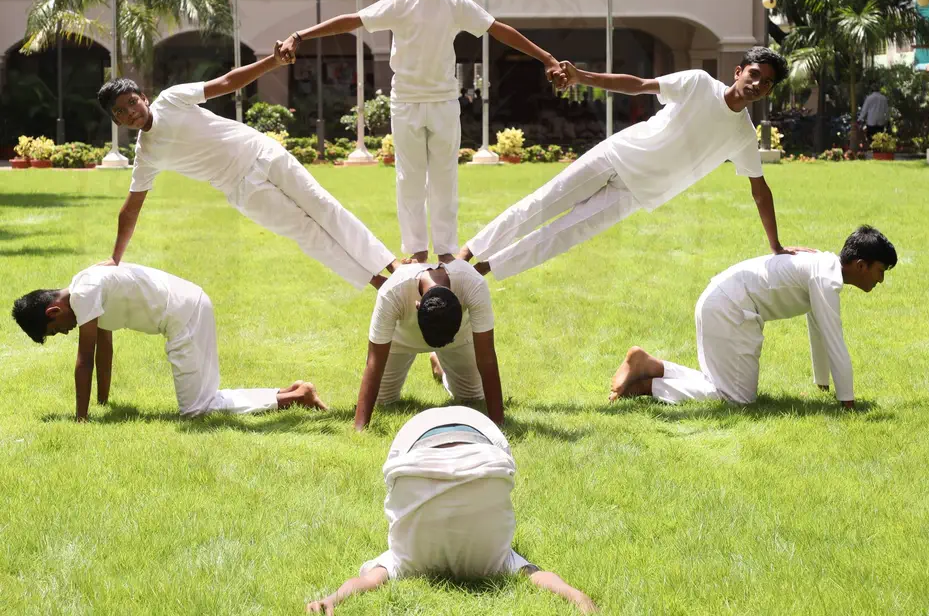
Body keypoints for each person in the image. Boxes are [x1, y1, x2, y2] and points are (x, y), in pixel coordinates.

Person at [280, 0, 566, 264]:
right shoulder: (399, 3)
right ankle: (416, 251)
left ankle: (445, 251)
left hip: (444, 102)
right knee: (409, 179)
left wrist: (547, 58)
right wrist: (299, 36)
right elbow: (351, 21)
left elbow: (499, 30)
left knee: (445, 179)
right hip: (406, 103)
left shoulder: (456, 3)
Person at [458, 47, 805, 280]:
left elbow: (760, 190)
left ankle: (478, 273)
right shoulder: (699, 83)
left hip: (635, 193)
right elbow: (639, 86)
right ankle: (466, 253)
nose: (757, 85)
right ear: (739, 71)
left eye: (767, 83)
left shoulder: (743, 135)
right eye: (754, 75)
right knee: (541, 203)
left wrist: (775, 246)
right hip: (615, 156)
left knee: (559, 237)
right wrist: (582, 77)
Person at [97, 43, 397, 291]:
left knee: (323, 205)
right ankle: (379, 282)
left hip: (262, 152)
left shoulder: (170, 99)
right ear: (116, 121)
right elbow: (131, 208)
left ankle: (392, 265)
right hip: (244, 191)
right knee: (307, 233)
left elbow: (227, 83)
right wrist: (115, 258)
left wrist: (273, 61)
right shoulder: (146, 154)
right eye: (121, 111)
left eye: (132, 101)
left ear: (144, 98)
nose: (131, 111)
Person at [306, 406, 597, 614]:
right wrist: (576, 596)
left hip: (443, 454)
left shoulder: (407, 559)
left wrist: (333, 598)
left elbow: (369, 580)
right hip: (470, 456)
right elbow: (536, 575)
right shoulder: (493, 559)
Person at [608, 225, 897, 409]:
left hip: (722, 301)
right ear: (861, 265)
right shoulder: (825, 277)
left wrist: (823, 384)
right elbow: (835, 341)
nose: (880, 280)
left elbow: (819, 329)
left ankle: (649, 365)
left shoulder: (823, 268)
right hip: (730, 309)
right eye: (880, 271)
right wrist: (847, 404)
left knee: (720, 387)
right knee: (735, 400)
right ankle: (647, 385)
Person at [11, 263, 327, 420]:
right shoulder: (85, 283)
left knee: (196, 411)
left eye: (57, 330)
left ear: (54, 311)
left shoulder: (84, 294)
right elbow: (104, 349)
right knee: (204, 402)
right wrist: (102, 403)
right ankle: (291, 393)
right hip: (188, 305)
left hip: (183, 315)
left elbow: (86, 359)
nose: (65, 333)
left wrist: (81, 420)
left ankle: (295, 398)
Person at [354, 259, 502, 431]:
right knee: (383, 400)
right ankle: (439, 362)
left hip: (457, 338)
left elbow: (487, 359)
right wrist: (359, 429)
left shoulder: (473, 284)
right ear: (417, 305)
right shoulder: (392, 291)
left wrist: (498, 424)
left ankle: (441, 368)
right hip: (401, 338)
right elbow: (374, 362)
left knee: (472, 397)